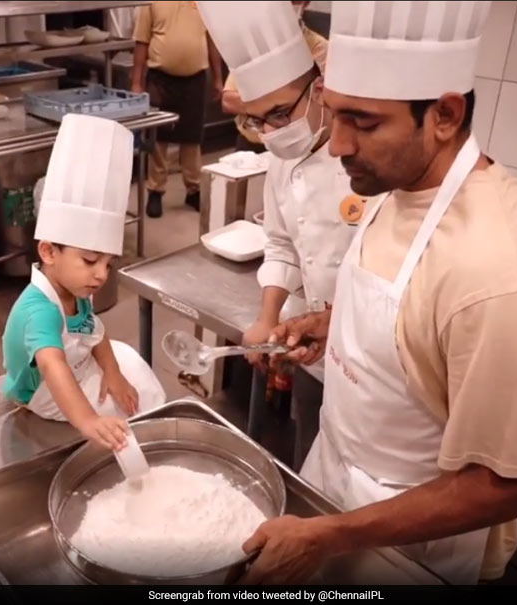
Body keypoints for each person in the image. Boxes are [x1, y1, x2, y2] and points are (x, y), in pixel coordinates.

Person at [240, 0, 517, 586]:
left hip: (411, 547)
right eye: (333, 113)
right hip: (334, 482)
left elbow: (504, 485)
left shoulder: (500, 275)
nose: (337, 145)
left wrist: (330, 535)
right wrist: (334, 321)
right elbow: (413, 315)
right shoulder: (400, 183)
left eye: (363, 122)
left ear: (444, 114)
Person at [197, 0, 375, 387]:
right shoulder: (281, 155)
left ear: (320, 90)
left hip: (373, 359)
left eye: (280, 114)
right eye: (257, 120)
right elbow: (281, 244)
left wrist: (336, 322)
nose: (272, 133)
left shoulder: (370, 164)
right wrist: (267, 318)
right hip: (313, 354)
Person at [1, 114, 166, 452]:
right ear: (48, 251)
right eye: (90, 261)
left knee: (131, 364)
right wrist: (89, 421)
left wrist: (114, 373)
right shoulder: (40, 311)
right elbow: (53, 365)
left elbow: (96, 333)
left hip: (72, 363)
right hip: (42, 390)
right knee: (124, 409)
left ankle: (156, 423)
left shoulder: (77, 290)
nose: (102, 275)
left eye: (108, 263)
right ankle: (150, 441)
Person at [131, 1, 224, 218]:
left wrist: (219, 79)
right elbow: (141, 42)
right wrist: (136, 82)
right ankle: (156, 190)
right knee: (159, 137)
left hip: (195, 79)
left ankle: (193, 189)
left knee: (192, 137)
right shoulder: (151, 2)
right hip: (160, 77)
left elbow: (212, 40)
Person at [220, 1, 327, 153]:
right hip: (250, 143)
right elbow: (228, 101)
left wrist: (256, 103)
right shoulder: (253, 47)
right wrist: (275, 108)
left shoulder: (318, 47)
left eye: (280, 113)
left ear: (306, 3)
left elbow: (327, 102)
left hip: (300, 144)